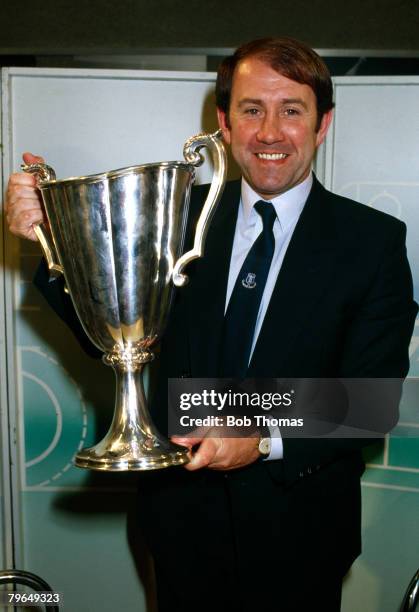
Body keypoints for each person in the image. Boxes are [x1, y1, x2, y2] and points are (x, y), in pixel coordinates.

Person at [5, 37, 418, 612]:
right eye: (252, 110)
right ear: (223, 122)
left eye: (291, 110)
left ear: (322, 124)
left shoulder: (371, 242)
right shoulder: (173, 212)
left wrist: (257, 438)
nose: (270, 132)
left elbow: (371, 402)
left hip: (302, 538)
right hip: (178, 529)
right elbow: (118, 332)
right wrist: (50, 240)